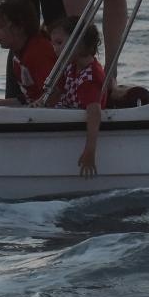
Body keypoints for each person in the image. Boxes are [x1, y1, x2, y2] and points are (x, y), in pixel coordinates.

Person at [47, 15, 107, 177]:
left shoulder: (90, 76)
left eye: (59, 43)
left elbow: (94, 113)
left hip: (80, 120)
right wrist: (40, 104)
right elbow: (58, 92)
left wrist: (90, 149)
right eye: (53, 43)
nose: (55, 48)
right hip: (66, 111)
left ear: (79, 44)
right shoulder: (71, 66)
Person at [0, 0, 57, 105]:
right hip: (31, 102)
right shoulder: (20, 53)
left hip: (49, 111)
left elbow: (54, 94)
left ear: (19, 27)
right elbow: (30, 97)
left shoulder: (38, 54)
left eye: (0, 26)